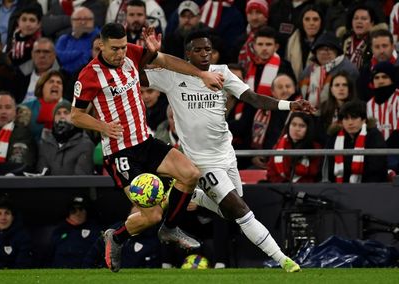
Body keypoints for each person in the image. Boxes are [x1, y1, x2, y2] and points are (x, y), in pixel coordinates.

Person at [144, 29, 315, 272]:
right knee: (243, 212)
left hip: (227, 155)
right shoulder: (171, 76)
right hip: (203, 163)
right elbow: (138, 77)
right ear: (187, 54)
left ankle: (198, 197)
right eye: (198, 50)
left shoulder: (222, 73)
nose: (205, 54)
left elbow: (254, 99)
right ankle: (284, 260)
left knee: (230, 211)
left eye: (208, 49)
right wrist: (150, 55)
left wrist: (290, 105)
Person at [70, 23, 223, 273]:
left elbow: (167, 61)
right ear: (101, 46)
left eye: (123, 47)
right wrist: (102, 126)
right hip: (120, 152)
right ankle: (117, 237)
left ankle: (170, 228)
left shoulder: (130, 52)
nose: (121, 53)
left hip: (145, 141)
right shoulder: (89, 75)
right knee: (150, 215)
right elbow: (75, 116)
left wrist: (202, 74)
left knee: (191, 174)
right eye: (115, 49)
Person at [325, 100, 387, 183]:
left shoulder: (374, 136)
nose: (350, 123)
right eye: (346, 118)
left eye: (354, 118)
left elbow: (376, 167)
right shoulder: (333, 138)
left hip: (369, 187)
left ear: (364, 119)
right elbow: (328, 168)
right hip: (338, 188)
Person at [36, 100, 95, 175]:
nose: (62, 116)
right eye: (58, 113)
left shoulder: (85, 144)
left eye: (66, 112)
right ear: (54, 119)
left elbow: (81, 180)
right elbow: (41, 174)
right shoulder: (45, 144)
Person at [266, 112, 322, 183]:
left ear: (308, 129)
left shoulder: (315, 148)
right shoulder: (279, 145)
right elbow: (271, 172)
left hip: (305, 189)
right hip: (279, 187)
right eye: (293, 124)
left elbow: (314, 174)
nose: (297, 129)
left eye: (302, 126)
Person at [50, 196, 101, 268]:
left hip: (86, 270)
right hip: (61, 271)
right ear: (68, 213)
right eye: (73, 210)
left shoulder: (95, 230)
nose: (77, 213)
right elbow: (50, 254)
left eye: (81, 209)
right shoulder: (60, 230)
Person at [0, 91, 37, 175]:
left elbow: (18, 165)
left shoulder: (22, 134)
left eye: (8, 107)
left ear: (15, 112)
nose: (3, 111)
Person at [23, 69, 64, 142]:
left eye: (59, 82)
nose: (56, 85)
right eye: (51, 82)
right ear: (41, 87)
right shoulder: (26, 108)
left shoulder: (71, 109)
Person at [285, 4, 324, 80]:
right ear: (301, 21)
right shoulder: (292, 40)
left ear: (321, 22)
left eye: (315, 19)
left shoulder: (328, 42)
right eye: (307, 19)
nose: (311, 23)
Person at [0, 194, 33, 268]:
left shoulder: (23, 238)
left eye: (7, 213)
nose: (3, 218)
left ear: (13, 217)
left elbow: (23, 266)